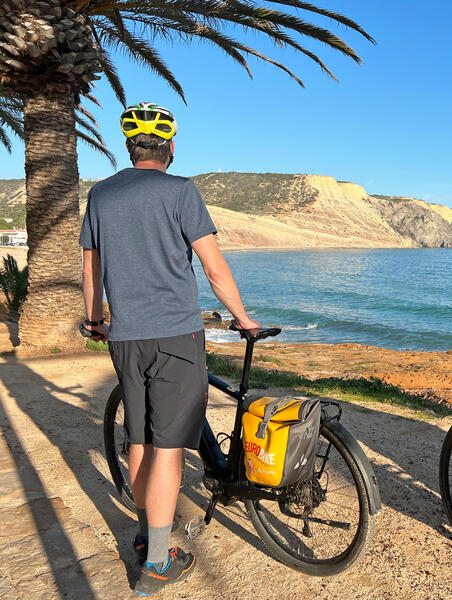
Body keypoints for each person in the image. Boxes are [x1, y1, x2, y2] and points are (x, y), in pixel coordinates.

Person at [80, 102, 259, 596]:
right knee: (169, 449)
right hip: (176, 336)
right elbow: (214, 268)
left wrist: (96, 320)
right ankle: (158, 563)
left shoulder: (100, 194)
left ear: (128, 147)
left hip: (125, 337)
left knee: (139, 439)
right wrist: (243, 319)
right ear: (171, 147)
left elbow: (91, 270)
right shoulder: (182, 191)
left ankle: (145, 536)